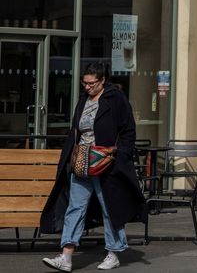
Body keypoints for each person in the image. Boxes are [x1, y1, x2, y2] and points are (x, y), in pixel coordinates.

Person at [41, 63, 146, 271]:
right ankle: (66, 257)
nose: (87, 87)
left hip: (106, 163)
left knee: (109, 207)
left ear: (102, 80)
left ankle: (113, 252)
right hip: (82, 161)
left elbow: (128, 130)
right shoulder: (83, 99)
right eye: (84, 83)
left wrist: (119, 153)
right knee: (75, 207)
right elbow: (76, 129)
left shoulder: (115, 99)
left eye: (92, 83)